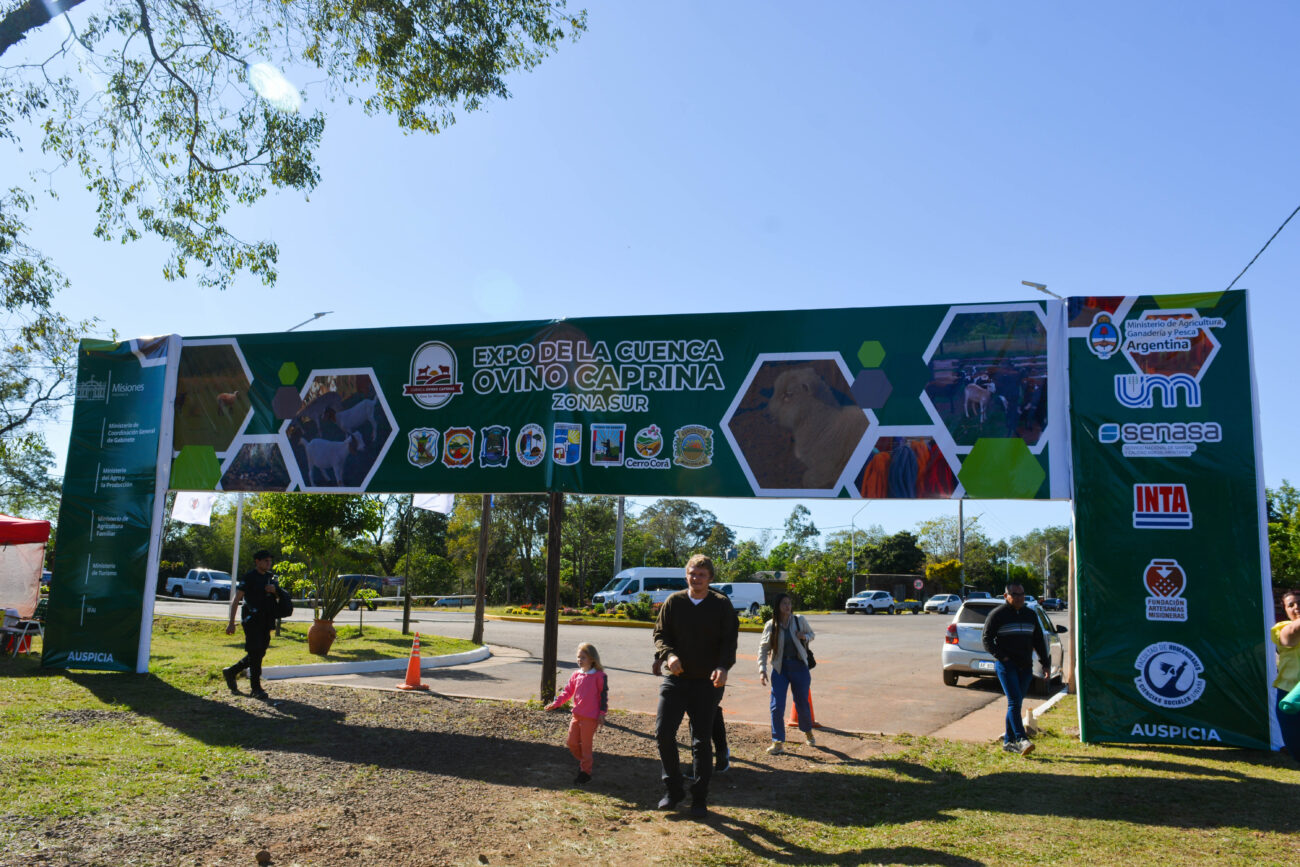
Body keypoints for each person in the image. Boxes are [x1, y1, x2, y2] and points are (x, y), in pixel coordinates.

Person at [652, 553, 738, 818]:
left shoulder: (721, 605)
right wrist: (668, 655)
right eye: (692, 573)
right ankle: (673, 790)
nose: (696, 578)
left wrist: (723, 667)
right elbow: (661, 634)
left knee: (701, 741)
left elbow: (729, 642)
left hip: (707, 683)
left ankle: (699, 798)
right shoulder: (674, 602)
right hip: (676, 680)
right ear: (686, 575)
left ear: (710, 578)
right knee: (663, 733)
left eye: (702, 575)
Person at [981, 583, 1050, 756]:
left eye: (1022, 594)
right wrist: (1002, 657)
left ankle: (1008, 742)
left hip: (1025, 667)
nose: (1019, 597)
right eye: (1015, 594)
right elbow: (987, 639)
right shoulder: (998, 614)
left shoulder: (1030, 614)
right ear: (1006, 596)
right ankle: (1021, 739)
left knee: (1016, 703)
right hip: (1007, 666)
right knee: (1013, 702)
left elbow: (1038, 640)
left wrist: (1045, 663)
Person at [757, 593, 816, 755]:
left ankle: (808, 731)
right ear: (777, 606)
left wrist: (804, 636)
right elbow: (763, 648)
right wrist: (762, 669)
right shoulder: (771, 625)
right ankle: (777, 742)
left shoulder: (799, 620)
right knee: (776, 706)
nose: (788, 606)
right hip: (780, 669)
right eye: (784, 603)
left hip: (799, 667)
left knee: (802, 703)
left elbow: (812, 634)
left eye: (789, 603)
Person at [653, 655, 730, 774]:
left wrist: (722, 666)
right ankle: (699, 763)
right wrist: (660, 657)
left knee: (705, 712)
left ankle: (718, 753)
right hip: (681, 672)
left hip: (708, 672)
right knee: (700, 713)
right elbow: (670, 642)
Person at [546, 642, 609, 784]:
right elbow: (567, 692)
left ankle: (585, 772)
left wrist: (602, 713)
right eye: (578, 657)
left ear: (592, 659)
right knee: (571, 742)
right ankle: (585, 762)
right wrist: (556, 703)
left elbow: (603, 696)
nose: (580, 660)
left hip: (590, 718)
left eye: (583, 657)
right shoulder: (576, 674)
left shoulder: (599, 676)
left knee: (586, 746)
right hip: (576, 715)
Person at [223, 550, 282, 700]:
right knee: (255, 652)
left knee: (260, 652)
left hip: (266, 620)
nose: (269, 564)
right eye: (266, 561)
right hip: (251, 620)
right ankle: (256, 688)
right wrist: (231, 623)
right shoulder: (249, 577)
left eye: (270, 561)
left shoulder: (270, 578)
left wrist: (275, 590)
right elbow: (237, 599)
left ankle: (231, 671)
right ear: (257, 561)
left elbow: (278, 596)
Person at [1271, 589, 1300, 762]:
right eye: (1291, 605)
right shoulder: (1281, 628)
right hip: (1289, 695)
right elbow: (1291, 635)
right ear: (1285, 610)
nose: (1296, 607)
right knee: (1296, 749)